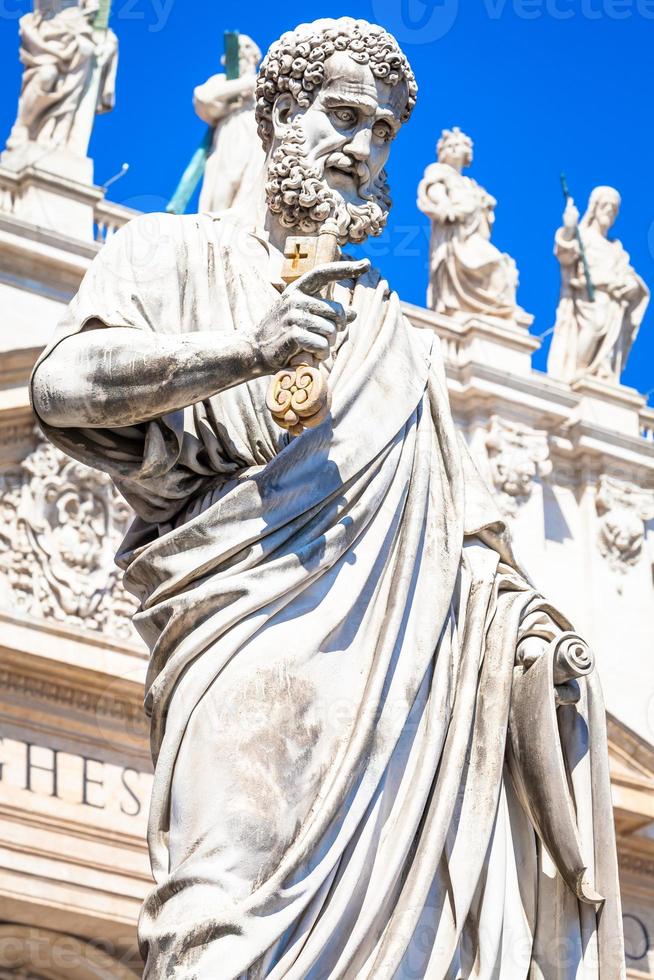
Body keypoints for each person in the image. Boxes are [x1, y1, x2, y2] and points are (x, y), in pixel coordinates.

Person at [31, 18, 624, 979]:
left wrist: (529, 642)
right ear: (272, 118)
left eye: (381, 129)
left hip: (393, 715)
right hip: (240, 663)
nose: (361, 144)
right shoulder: (169, 254)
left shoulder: (398, 341)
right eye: (340, 114)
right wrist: (246, 351)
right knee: (213, 928)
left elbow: (469, 554)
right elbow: (61, 389)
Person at [417, 126, 529, 324]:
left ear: (467, 152)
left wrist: (483, 205)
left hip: (471, 236)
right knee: (495, 264)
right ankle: (483, 311)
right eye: (448, 145)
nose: (452, 149)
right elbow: (433, 190)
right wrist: (445, 207)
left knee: (502, 266)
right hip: (455, 237)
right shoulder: (438, 170)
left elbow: (482, 215)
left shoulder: (470, 183)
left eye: (457, 145)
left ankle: (498, 313)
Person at [548, 186, 649, 384]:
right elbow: (565, 255)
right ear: (595, 207)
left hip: (614, 302)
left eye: (614, 209)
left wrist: (631, 285)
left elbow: (630, 276)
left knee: (608, 341)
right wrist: (569, 228)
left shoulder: (616, 248)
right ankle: (578, 370)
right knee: (595, 324)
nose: (609, 212)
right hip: (589, 298)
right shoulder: (583, 236)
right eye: (606, 206)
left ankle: (601, 373)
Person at [6, 0, 117, 158]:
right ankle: (24, 127)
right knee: (46, 75)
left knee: (73, 95)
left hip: (80, 36)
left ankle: (58, 140)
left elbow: (98, 11)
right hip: (51, 31)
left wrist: (103, 34)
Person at [193, 34, 265, 214]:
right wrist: (243, 85)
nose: (243, 54)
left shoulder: (263, 85)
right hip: (231, 137)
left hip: (257, 139)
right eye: (239, 51)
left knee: (250, 189)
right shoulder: (223, 81)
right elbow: (204, 96)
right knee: (222, 190)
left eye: (246, 49)